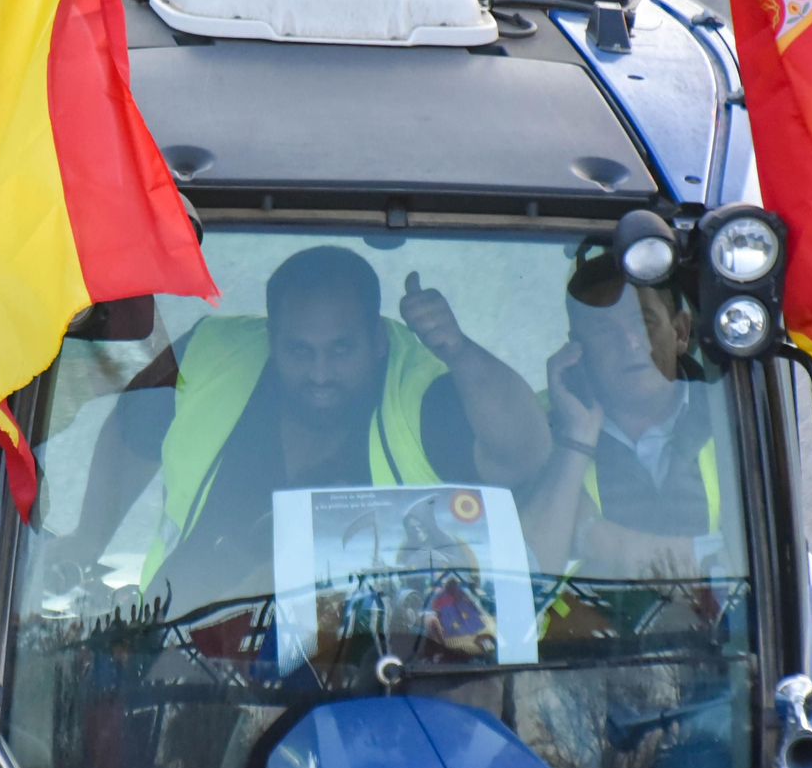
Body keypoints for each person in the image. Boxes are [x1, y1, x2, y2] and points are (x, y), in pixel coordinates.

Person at [69, 245, 552, 617]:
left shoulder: (429, 392)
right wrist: (87, 541)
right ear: (272, 339)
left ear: (377, 342)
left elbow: (524, 454)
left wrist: (460, 351)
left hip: (378, 671)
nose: (320, 373)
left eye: (341, 350)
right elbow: (131, 433)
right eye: (300, 351)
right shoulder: (210, 353)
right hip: (187, 644)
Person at [522, 254, 726, 578]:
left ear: (681, 333)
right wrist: (576, 438)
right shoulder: (538, 424)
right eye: (603, 330)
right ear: (577, 349)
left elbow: (765, 558)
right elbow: (527, 571)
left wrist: (597, 539)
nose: (630, 343)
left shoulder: (733, 417)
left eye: (643, 322)